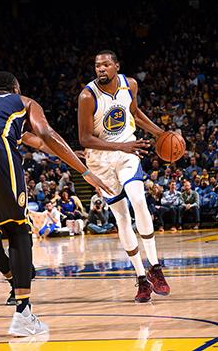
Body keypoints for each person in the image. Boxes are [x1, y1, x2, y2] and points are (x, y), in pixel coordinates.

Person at [0, 71, 113, 337]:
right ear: (15, 88)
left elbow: (38, 143)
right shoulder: (24, 102)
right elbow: (45, 132)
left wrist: (65, 154)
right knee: (18, 229)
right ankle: (23, 314)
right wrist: (84, 171)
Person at [78, 50, 170, 303]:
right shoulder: (87, 96)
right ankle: (141, 278)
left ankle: (155, 267)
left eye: (106, 64)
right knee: (120, 216)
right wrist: (120, 147)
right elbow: (84, 139)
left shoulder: (130, 85)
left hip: (127, 151)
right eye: (97, 65)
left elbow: (136, 114)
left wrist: (161, 134)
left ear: (116, 66)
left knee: (138, 199)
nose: (101, 69)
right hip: (100, 159)